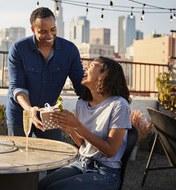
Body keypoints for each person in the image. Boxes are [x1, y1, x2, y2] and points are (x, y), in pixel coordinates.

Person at [39, 56, 132, 190]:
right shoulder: (81, 103)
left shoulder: (118, 105)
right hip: (81, 163)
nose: (85, 68)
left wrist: (77, 125)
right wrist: (70, 129)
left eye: (92, 65)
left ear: (105, 75)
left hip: (105, 172)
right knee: (42, 185)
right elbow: (84, 144)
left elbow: (110, 151)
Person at [5, 7, 84, 141]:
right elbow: (17, 86)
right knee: (19, 155)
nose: (49, 36)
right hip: (21, 113)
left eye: (53, 30)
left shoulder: (70, 50)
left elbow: (81, 87)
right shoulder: (18, 49)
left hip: (49, 114)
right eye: (43, 32)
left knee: (55, 154)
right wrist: (30, 110)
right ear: (33, 30)